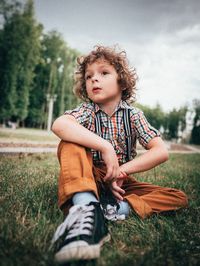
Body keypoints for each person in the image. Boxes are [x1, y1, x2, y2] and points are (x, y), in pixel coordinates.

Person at [51, 45, 188, 263]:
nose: (94, 79)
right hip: (88, 174)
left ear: (122, 81)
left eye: (104, 73)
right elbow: (59, 124)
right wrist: (105, 146)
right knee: (70, 142)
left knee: (178, 197)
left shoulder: (134, 115)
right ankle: (87, 207)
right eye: (89, 76)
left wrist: (121, 171)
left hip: (119, 183)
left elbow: (161, 151)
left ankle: (115, 209)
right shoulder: (87, 111)